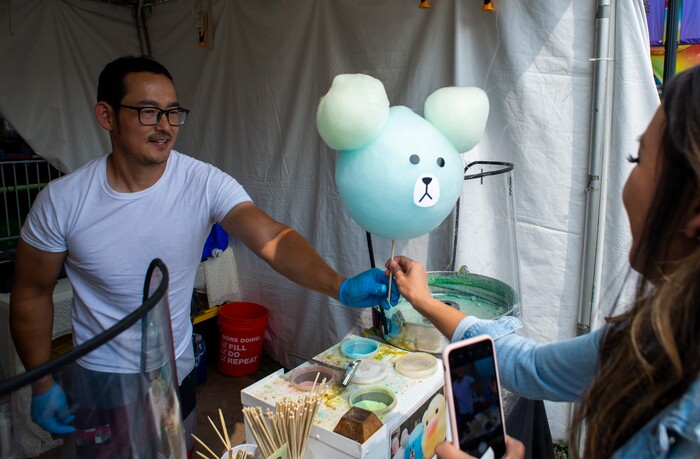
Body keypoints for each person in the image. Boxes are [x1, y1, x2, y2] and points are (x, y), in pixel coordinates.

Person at [9, 56, 398, 456]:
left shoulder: (202, 182)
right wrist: (41, 383)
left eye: (173, 112)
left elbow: (273, 239)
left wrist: (341, 285)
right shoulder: (63, 201)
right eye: (148, 112)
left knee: (176, 451)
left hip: (175, 369)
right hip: (100, 379)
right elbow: (32, 293)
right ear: (106, 115)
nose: (164, 126)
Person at [388, 65, 700, 458]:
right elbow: (531, 367)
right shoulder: (654, 336)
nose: (628, 183)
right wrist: (425, 301)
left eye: (638, 159)